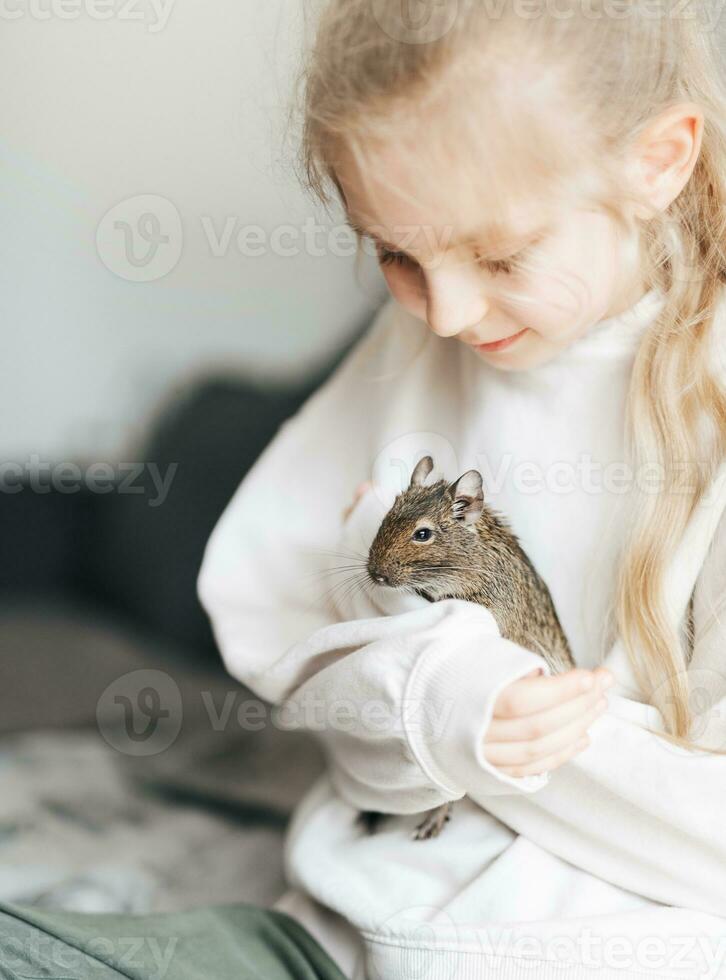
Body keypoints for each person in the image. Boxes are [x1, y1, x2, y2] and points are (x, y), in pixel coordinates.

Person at [3, 3, 725, 979]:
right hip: (334, 929)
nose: (451, 312)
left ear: (660, 158)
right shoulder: (421, 341)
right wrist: (435, 701)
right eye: (394, 256)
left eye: (502, 257)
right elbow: (308, 670)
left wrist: (474, 728)